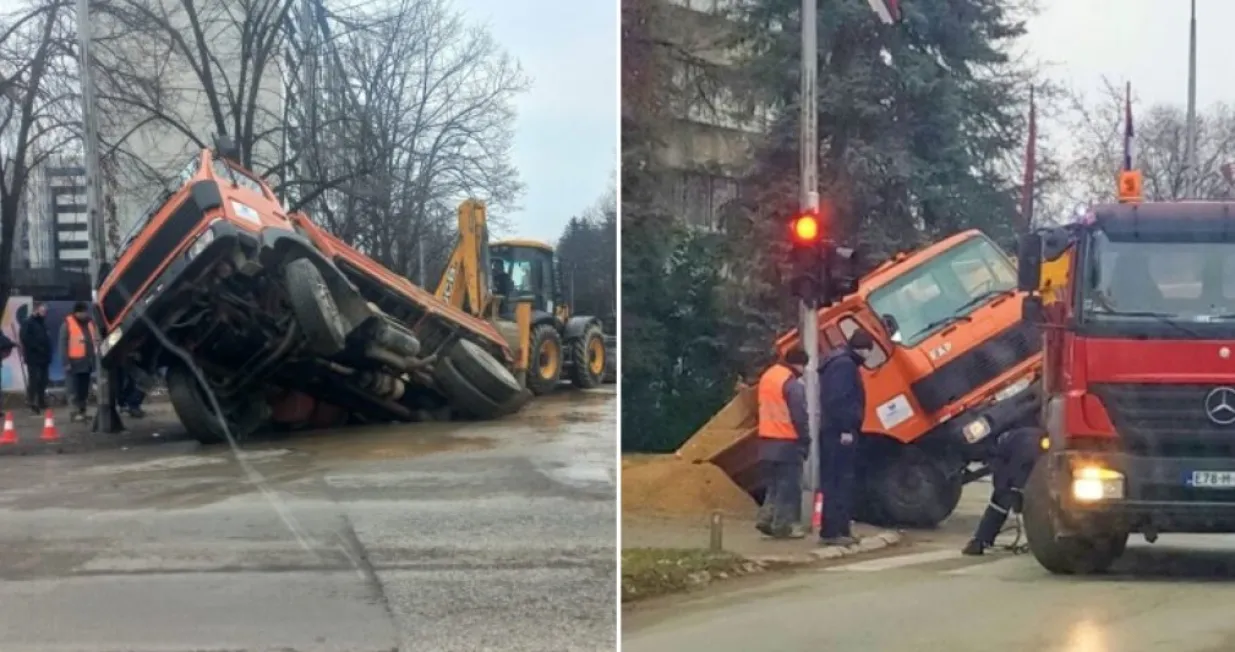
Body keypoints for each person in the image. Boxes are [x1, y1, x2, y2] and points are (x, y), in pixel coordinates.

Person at [817, 331, 876, 547]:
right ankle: (835, 531)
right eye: (869, 350)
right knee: (839, 481)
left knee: (837, 480)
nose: (869, 355)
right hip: (839, 433)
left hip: (835, 431)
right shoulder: (845, 366)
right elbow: (840, 399)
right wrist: (846, 428)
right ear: (863, 348)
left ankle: (836, 529)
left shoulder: (840, 362)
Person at [754, 346, 810, 539]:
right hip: (787, 441)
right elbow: (799, 416)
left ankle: (766, 518)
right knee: (789, 487)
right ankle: (783, 527)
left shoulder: (768, 377)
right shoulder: (792, 383)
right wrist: (806, 440)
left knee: (774, 485)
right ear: (800, 364)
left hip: (766, 440)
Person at [963, 426, 1044, 555]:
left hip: (1017, 475)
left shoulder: (1008, 439)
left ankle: (980, 541)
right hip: (1022, 476)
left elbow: (1001, 467)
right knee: (1002, 503)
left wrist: (1008, 489)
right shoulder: (1030, 438)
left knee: (999, 504)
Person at [59, 301, 97, 422]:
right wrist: (66, 362)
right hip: (73, 362)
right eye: (83, 312)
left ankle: (82, 411)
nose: (85, 314)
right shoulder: (67, 324)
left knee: (83, 389)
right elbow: (63, 344)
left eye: (86, 312)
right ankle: (74, 412)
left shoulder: (90, 323)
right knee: (73, 389)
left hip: (87, 362)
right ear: (77, 312)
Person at [20, 302, 52, 413]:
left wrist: (47, 353)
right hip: (33, 357)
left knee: (43, 380)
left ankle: (41, 401)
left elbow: (46, 339)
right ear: (36, 310)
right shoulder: (28, 322)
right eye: (43, 310)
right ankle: (32, 402)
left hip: (44, 358)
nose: (45, 313)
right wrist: (37, 348)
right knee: (34, 380)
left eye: (45, 311)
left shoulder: (43, 323)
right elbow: (25, 338)